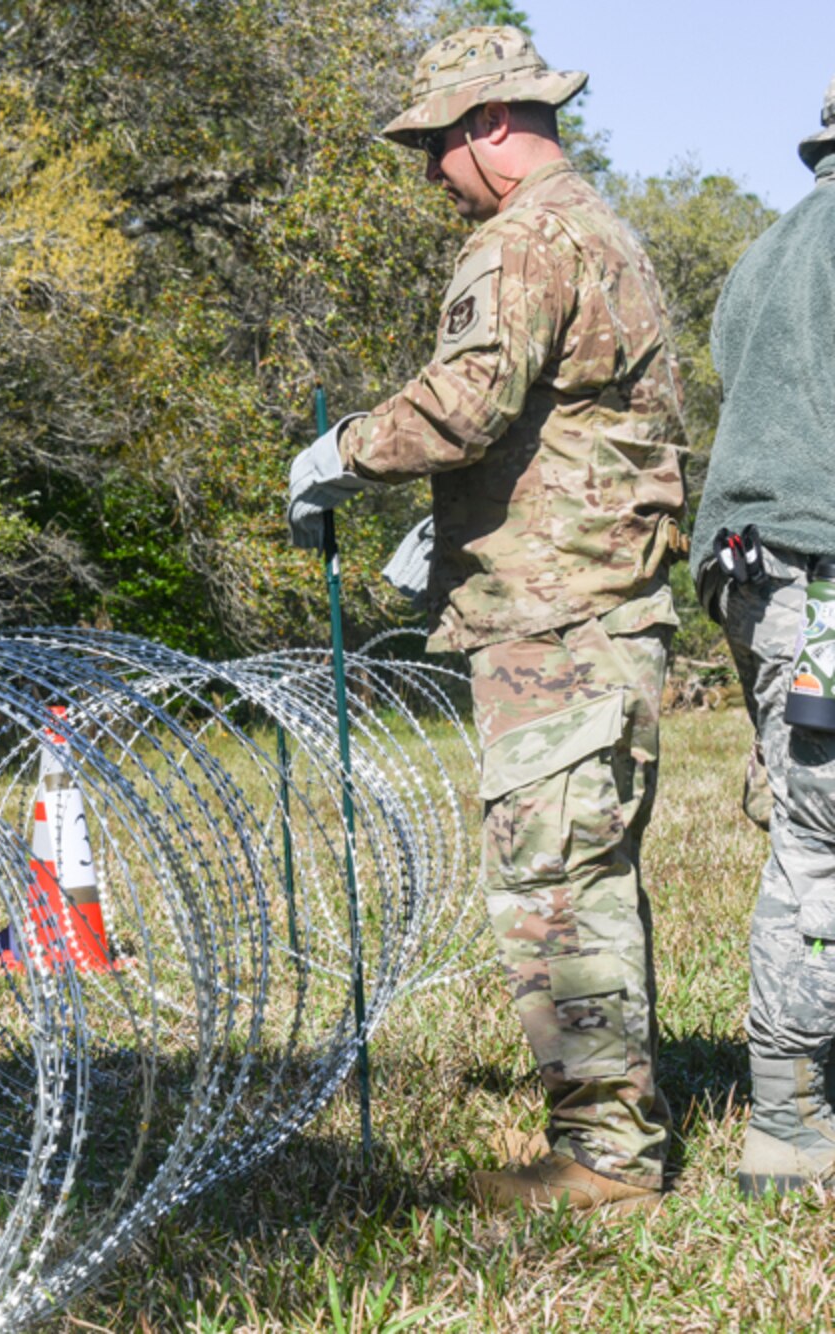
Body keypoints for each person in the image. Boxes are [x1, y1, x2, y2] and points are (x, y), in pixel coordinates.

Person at [288, 26, 687, 1213]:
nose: (429, 175)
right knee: (588, 868)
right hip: (588, 597)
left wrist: (340, 453)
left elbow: (463, 406)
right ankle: (610, 1128)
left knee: (554, 879)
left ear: (486, 127)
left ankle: (606, 1162)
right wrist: (460, 530)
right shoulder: (601, 230)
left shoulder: (521, 239)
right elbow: (562, 432)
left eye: (434, 147)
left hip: (559, 618)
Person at [693, 72, 835, 1197]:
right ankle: (788, 1121)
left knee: (811, 822)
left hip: (757, 576)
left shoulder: (764, 250)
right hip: (821, 577)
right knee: (822, 844)